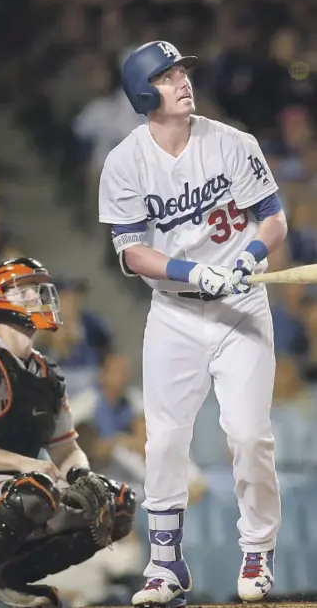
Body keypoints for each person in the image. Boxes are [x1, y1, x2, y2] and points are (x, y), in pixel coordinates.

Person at [98, 41, 288, 605]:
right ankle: (165, 565)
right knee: (163, 440)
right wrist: (192, 272)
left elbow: (273, 220)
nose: (182, 79)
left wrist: (246, 259)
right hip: (176, 311)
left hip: (241, 307)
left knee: (250, 435)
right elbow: (132, 252)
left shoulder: (232, 143)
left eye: (181, 70)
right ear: (140, 93)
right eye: (165, 74)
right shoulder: (125, 161)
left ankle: (258, 550)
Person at [0, 257, 136, 607]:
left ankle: (4, 577)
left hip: (9, 489)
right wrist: (23, 464)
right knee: (35, 490)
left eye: (38, 289)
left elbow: (66, 449)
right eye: (26, 290)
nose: (39, 296)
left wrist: (84, 475)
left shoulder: (46, 374)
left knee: (115, 503)